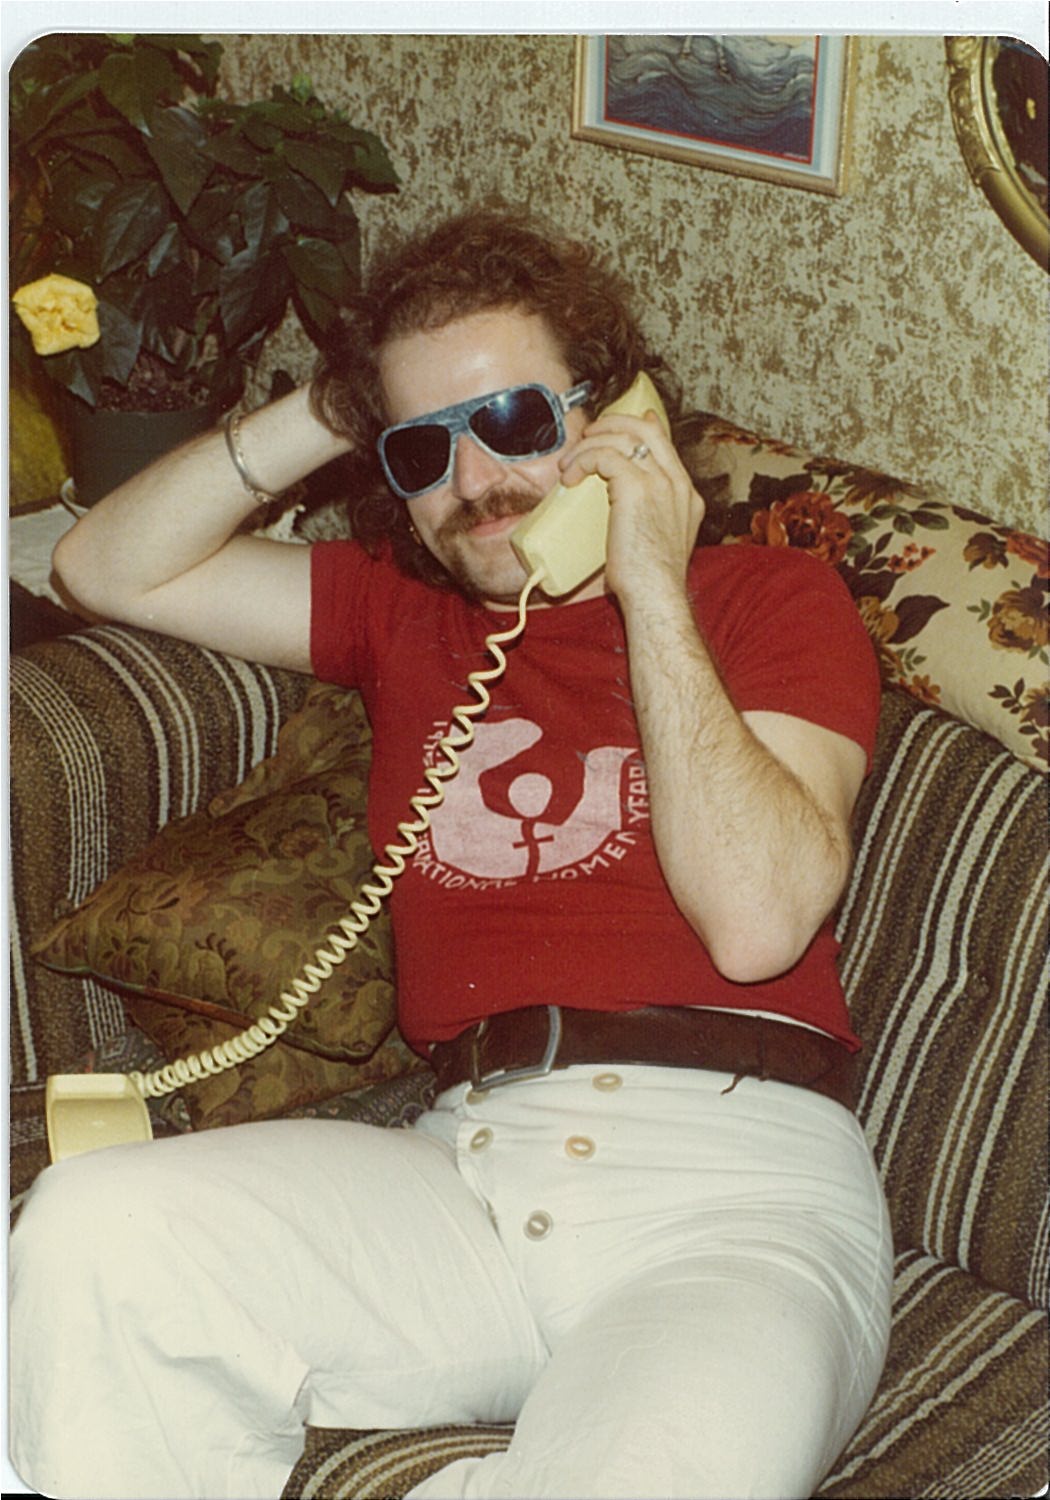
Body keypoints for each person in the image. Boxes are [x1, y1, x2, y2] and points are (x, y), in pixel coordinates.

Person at [9, 208, 892, 1500]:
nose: (475, 481)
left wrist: (650, 582)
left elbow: (756, 923)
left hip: (728, 1191)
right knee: (92, 1230)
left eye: (516, 421)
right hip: (463, 1171)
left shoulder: (767, 603)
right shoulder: (403, 613)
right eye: (423, 447)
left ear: (617, 416)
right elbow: (102, 566)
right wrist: (336, 402)